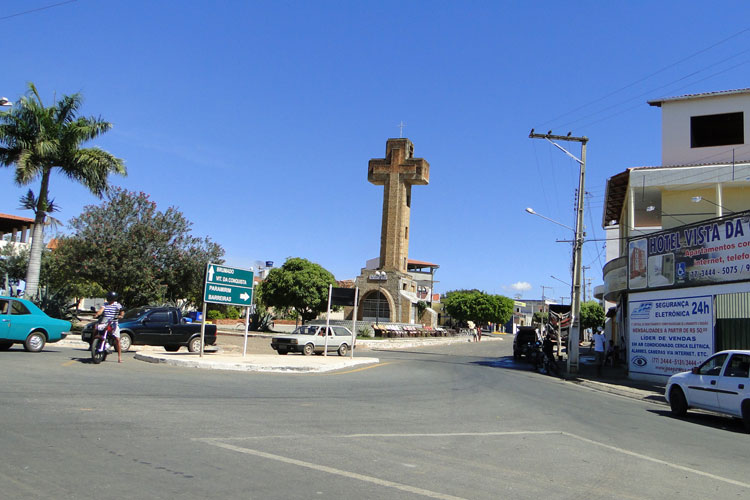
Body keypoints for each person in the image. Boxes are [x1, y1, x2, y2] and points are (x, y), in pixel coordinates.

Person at [95, 291, 125, 363]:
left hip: (113, 323)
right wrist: (97, 314)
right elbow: (101, 310)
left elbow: (122, 311)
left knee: (117, 339)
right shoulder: (105, 304)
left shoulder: (117, 305)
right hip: (105, 322)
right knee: (96, 328)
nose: (109, 299)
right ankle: (94, 344)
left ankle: (119, 357)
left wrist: (121, 316)